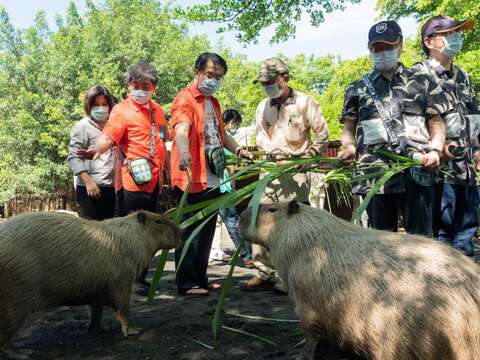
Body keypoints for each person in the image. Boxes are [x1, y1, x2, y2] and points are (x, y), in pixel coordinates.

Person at [338, 20, 449, 236]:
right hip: (374, 176)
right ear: (369, 50)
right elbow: (348, 129)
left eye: (388, 47)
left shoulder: (423, 80)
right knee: (379, 244)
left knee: (422, 242)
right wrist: (350, 147)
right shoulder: (356, 88)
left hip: (416, 172)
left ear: (400, 45)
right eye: (376, 49)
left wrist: (435, 150)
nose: (382, 53)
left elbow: (436, 122)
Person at [78, 62, 169, 294]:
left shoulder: (158, 110)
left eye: (145, 86)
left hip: (155, 180)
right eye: (135, 85)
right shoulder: (121, 110)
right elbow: (108, 137)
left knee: (150, 232)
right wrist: (96, 150)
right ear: (128, 86)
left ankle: (142, 275)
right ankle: (130, 278)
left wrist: (166, 170)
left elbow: (161, 141)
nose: (140, 90)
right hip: (132, 182)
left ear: (154, 87)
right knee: (133, 232)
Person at [240, 57, 329, 292]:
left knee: (290, 223)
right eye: (263, 83)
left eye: (270, 81)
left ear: (285, 78)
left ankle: (288, 275)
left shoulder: (305, 103)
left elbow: (322, 134)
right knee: (258, 216)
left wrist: (306, 156)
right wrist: (273, 154)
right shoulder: (263, 106)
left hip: (296, 173)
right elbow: (260, 136)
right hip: (270, 171)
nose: (266, 86)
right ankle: (263, 271)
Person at [170, 53, 253, 297]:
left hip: (213, 175)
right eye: (210, 75)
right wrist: (185, 152)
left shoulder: (213, 102)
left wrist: (238, 149)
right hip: (190, 176)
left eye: (219, 77)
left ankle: (201, 278)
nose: (214, 80)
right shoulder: (184, 99)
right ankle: (185, 282)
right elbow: (182, 129)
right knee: (188, 231)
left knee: (206, 230)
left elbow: (221, 135)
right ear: (197, 72)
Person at [415, 16, 480, 256]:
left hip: (468, 175)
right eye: (449, 34)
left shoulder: (463, 76)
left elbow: (473, 117)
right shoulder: (417, 75)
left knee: (466, 243)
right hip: (438, 176)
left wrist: (476, 151)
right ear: (429, 41)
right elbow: (410, 124)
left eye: (458, 32)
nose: (457, 37)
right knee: (442, 244)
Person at [68, 85, 116, 220]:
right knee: (91, 235)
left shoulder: (114, 125)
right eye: (96, 104)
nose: (101, 108)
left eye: (104, 104)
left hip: (112, 188)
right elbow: (73, 157)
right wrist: (88, 182)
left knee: (109, 235)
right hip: (90, 189)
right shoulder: (82, 126)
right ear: (89, 106)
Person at [214, 109, 253, 267]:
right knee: (232, 220)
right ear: (230, 123)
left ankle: (246, 254)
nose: (234, 127)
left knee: (231, 220)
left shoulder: (219, 137)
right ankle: (246, 256)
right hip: (221, 187)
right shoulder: (222, 139)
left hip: (222, 186)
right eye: (235, 124)